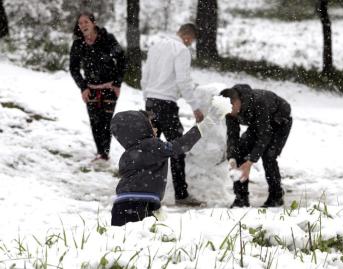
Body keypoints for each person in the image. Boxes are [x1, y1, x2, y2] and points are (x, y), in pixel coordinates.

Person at [110, 103, 226, 226]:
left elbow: (141, 183)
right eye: (150, 125)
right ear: (140, 129)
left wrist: (157, 208)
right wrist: (206, 124)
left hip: (121, 206)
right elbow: (181, 145)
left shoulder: (127, 155)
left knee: (124, 240)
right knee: (145, 240)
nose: (155, 129)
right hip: (141, 205)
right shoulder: (152, 146)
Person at [141, 23, 205, 206]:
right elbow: (183, 80)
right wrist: (195, 107)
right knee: (177, 148)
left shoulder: (156, 46)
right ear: (188, 37)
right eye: (191, 41)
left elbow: (145, 75)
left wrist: (147, 96)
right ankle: (181, 194)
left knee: (150, 148)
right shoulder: (181, 50)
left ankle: (144, 189)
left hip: (151, 102)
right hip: (167, 105)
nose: (190, 44)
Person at [220, 84, 292, 208]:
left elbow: (264, 136)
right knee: (239, 152)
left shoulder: (258, 102)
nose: (228, 113)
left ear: (237, 102)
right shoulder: (229, 111)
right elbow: (232, 136)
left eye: (229, 108)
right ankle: (241, 199)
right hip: (259, 123)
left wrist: (250, 162)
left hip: (279, 120)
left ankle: (276, 196)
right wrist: (232, 158)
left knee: (269, 156)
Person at [69, 12, 127, 162]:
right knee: (95, 122)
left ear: (93, 23)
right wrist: (83, 88)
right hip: (90, 89)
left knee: (106, 121)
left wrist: (117, 83)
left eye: (86, 22)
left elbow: (122, 60)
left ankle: (104, 153)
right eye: (80, 23)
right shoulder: (78, 44)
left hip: (109, 89)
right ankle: (100, 153)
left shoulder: (107, 39)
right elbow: (73, 68)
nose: (83, 25)